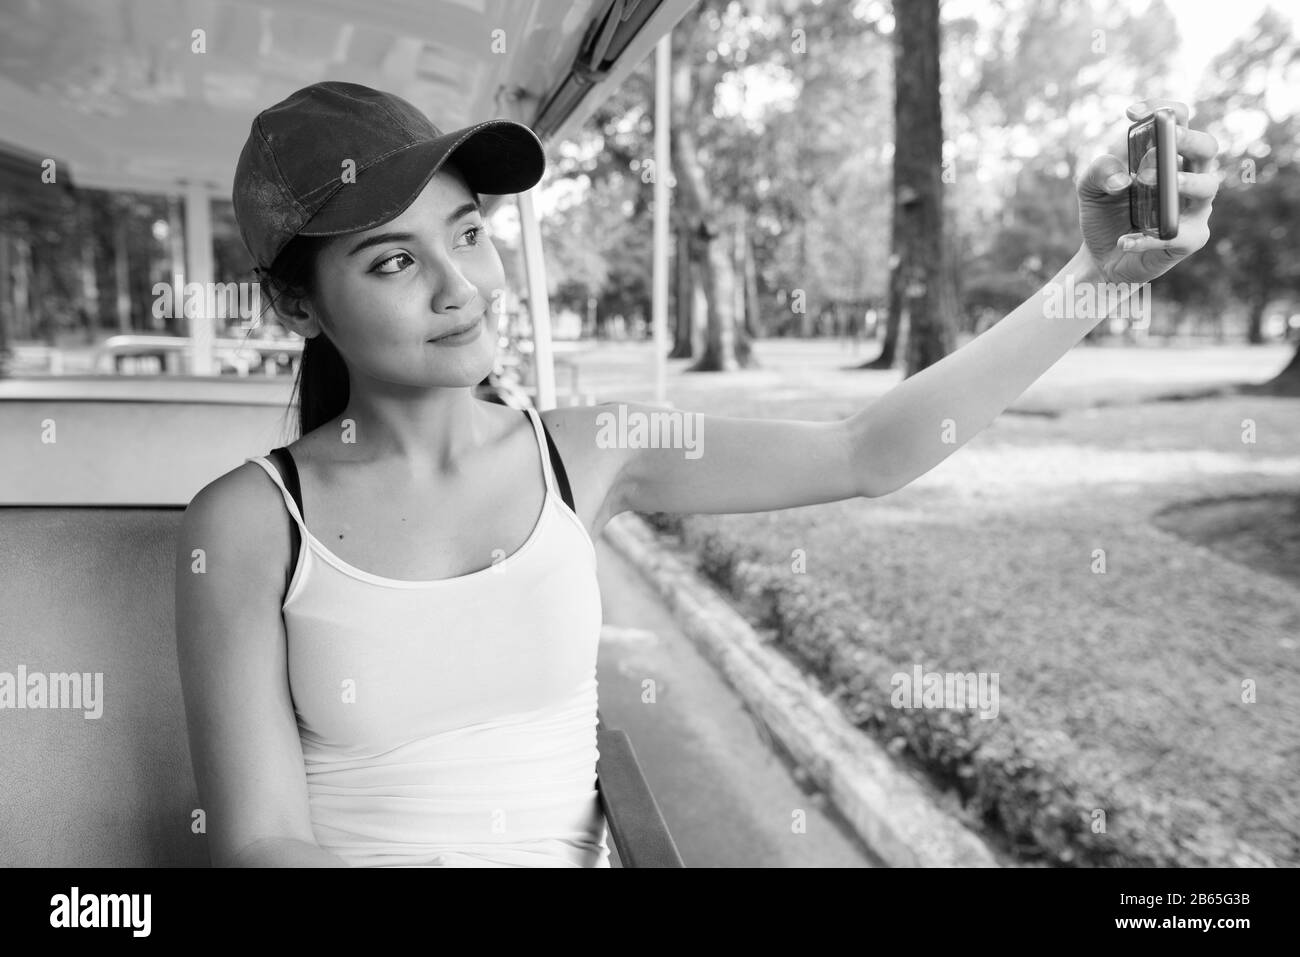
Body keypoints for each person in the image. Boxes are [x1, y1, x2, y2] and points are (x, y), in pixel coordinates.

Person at [174, 85, 1218, 867]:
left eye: (469, 233)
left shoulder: (590, 449)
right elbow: (261, 847)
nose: (464, 289)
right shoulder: (248, 524)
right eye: (393, 261)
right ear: (297, 308)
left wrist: (1098, 275)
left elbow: (869, 452)